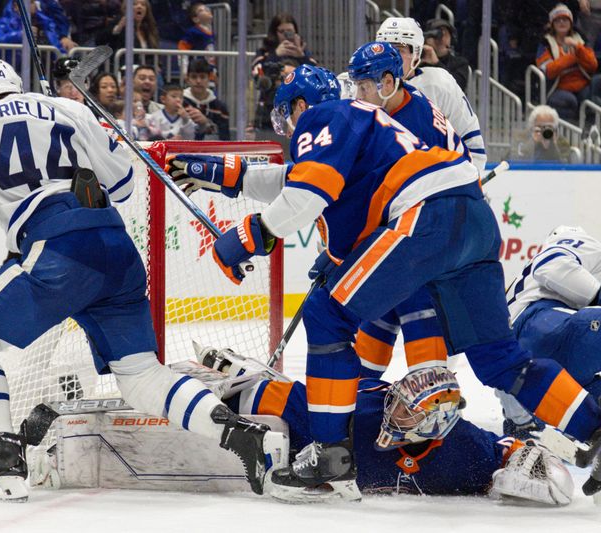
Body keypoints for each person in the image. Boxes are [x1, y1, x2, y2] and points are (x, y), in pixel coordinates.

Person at [0, 29, 286, 502]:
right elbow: (128, 184)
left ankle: (4, 456)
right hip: (114, 246)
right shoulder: (69, 109)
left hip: (57, 247)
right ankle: (247, 438)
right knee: (140, 375)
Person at [166, 64, 601, 499]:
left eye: (287, 118)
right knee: (502, 361)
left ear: (300, 106)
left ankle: (330, 454)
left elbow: (304, 193)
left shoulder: (324, 115)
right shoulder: (365, 125)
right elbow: (289, 181)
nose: (289, 129)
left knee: (326, 315)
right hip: (471, 220)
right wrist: (219, 174)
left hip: (424, 214)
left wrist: (247, 236)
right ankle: (596, 429)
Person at [202, 349, 574, 505]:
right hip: (352, 391)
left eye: (408, 414)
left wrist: (531, 473)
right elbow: (288, 398)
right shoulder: (359, 416)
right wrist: (215, 400)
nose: (394, 415)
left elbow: (521, 454)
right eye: (398, 403)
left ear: (433, 427)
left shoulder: (466, 449)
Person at [346, 41, 468, 380]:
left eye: (364, 86)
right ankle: (362, 388)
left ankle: (431, 389)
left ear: (388, 83)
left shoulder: (417, 122)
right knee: (382, 300)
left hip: (439, 225)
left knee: (415, 302)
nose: (358, 93)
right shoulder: (397, 105)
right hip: (422, 223)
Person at [499, 226, 601, 437]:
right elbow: (550, 264)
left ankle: (524, 424)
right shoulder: (577, 239)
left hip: (527, 373)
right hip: (540, 326)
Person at [376, 17, 486, 172]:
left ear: (417, 53)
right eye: (385, 50)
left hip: (431, 184)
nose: (390, 57)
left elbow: (474, 149)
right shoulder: (363, 85)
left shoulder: (439, 83)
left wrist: (463, 183)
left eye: (399, 50)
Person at [252, 13, 316, 133]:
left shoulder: (302, 51)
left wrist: (302, 57)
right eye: (282, 31)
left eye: (290, 31)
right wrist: (275, 55)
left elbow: (317, 78)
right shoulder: (265, 52)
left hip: (299, 109)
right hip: (270, 108)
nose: (286, 36)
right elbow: (258, 76)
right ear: (274, 32)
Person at [536, 3, 601, 121]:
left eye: (565, 20)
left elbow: (592, 65)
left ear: (571, 23)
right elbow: (547, 70)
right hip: (558, 87)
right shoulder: (546, 43)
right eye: (558, 20)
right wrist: (572, 58)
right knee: (569, 100)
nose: (562, 22)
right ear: (552, 24)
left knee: (594, 94)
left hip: (581, 85)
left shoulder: (579, 39)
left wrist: (578, 47)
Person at [182, 58, 229, 140]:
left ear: (209, 78)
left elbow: (224, 138)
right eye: (194, 77)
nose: (198, 81)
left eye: (202, 77)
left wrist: (206, 123)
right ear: (187, 78)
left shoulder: (220, 108)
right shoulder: (179, 103)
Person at [420, 18, 470, 90]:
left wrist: (437, 63)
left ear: (452, 39)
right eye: (436, 35)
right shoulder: (419, 59)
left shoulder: (460, 63)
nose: (441, 39)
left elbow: (458, 86)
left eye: (446, 35)